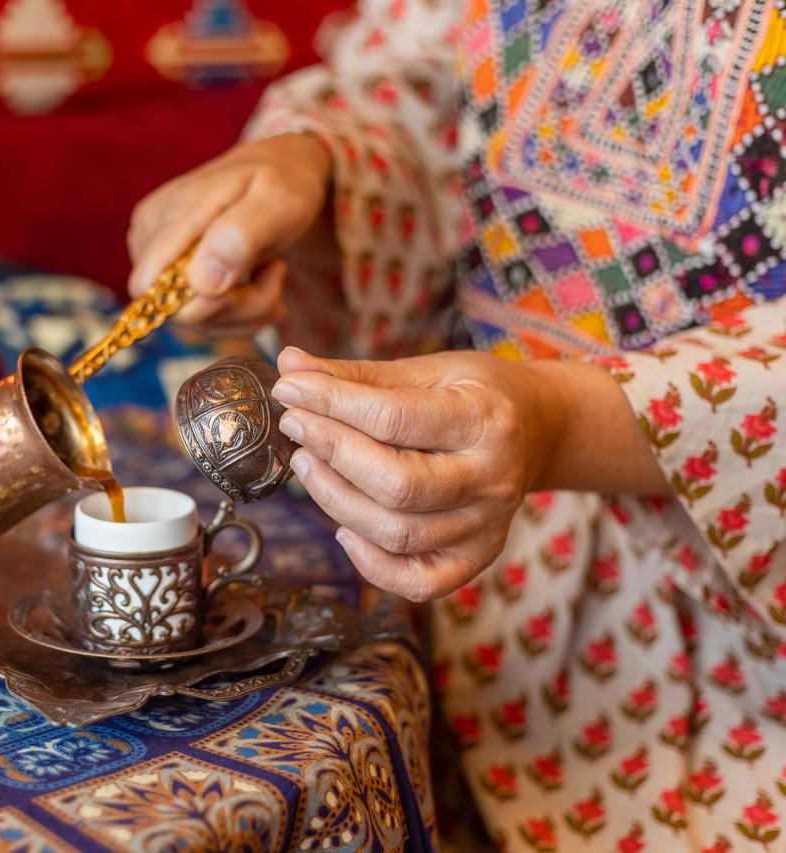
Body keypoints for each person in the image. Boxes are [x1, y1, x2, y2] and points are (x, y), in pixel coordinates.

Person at [128, 2, 786, 849]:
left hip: (741, 651)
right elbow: (445, 92)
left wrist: (559, 419)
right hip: (458, 611)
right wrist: (316, 168)